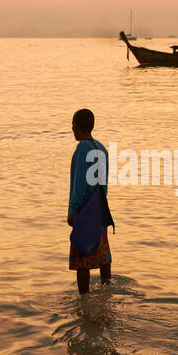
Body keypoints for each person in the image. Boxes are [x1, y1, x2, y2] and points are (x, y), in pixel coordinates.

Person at [67, 109, 112, 294]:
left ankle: (84, 300)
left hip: (85, 209)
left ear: (76, 126)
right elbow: (104, 182)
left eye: (72, 125)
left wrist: (73, 210)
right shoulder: (102, 148)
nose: (72, 129)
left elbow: (79, 183)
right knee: (102, 254)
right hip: (100, 208)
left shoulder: (81, 148)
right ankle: (106, 289)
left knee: (81, 257)